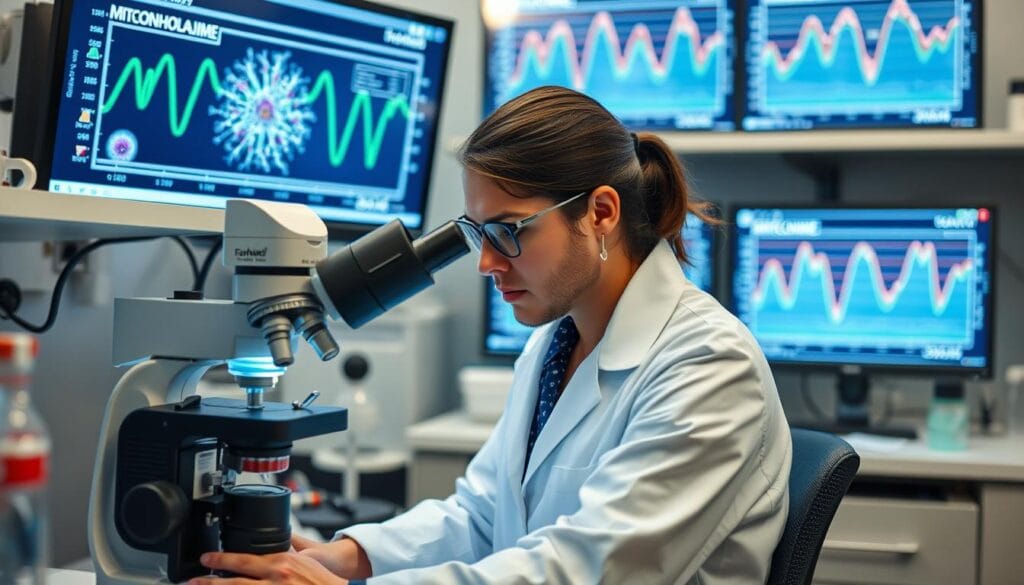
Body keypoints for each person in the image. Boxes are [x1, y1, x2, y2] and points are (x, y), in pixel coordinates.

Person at [191, 86, 792, 585]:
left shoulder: (709, 366)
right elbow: (481, 517)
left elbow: (587, 570)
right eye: (478, 234)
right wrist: (346, 558)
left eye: (509, 232)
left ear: (601, 214)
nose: (486, 264)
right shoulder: (556, 345)